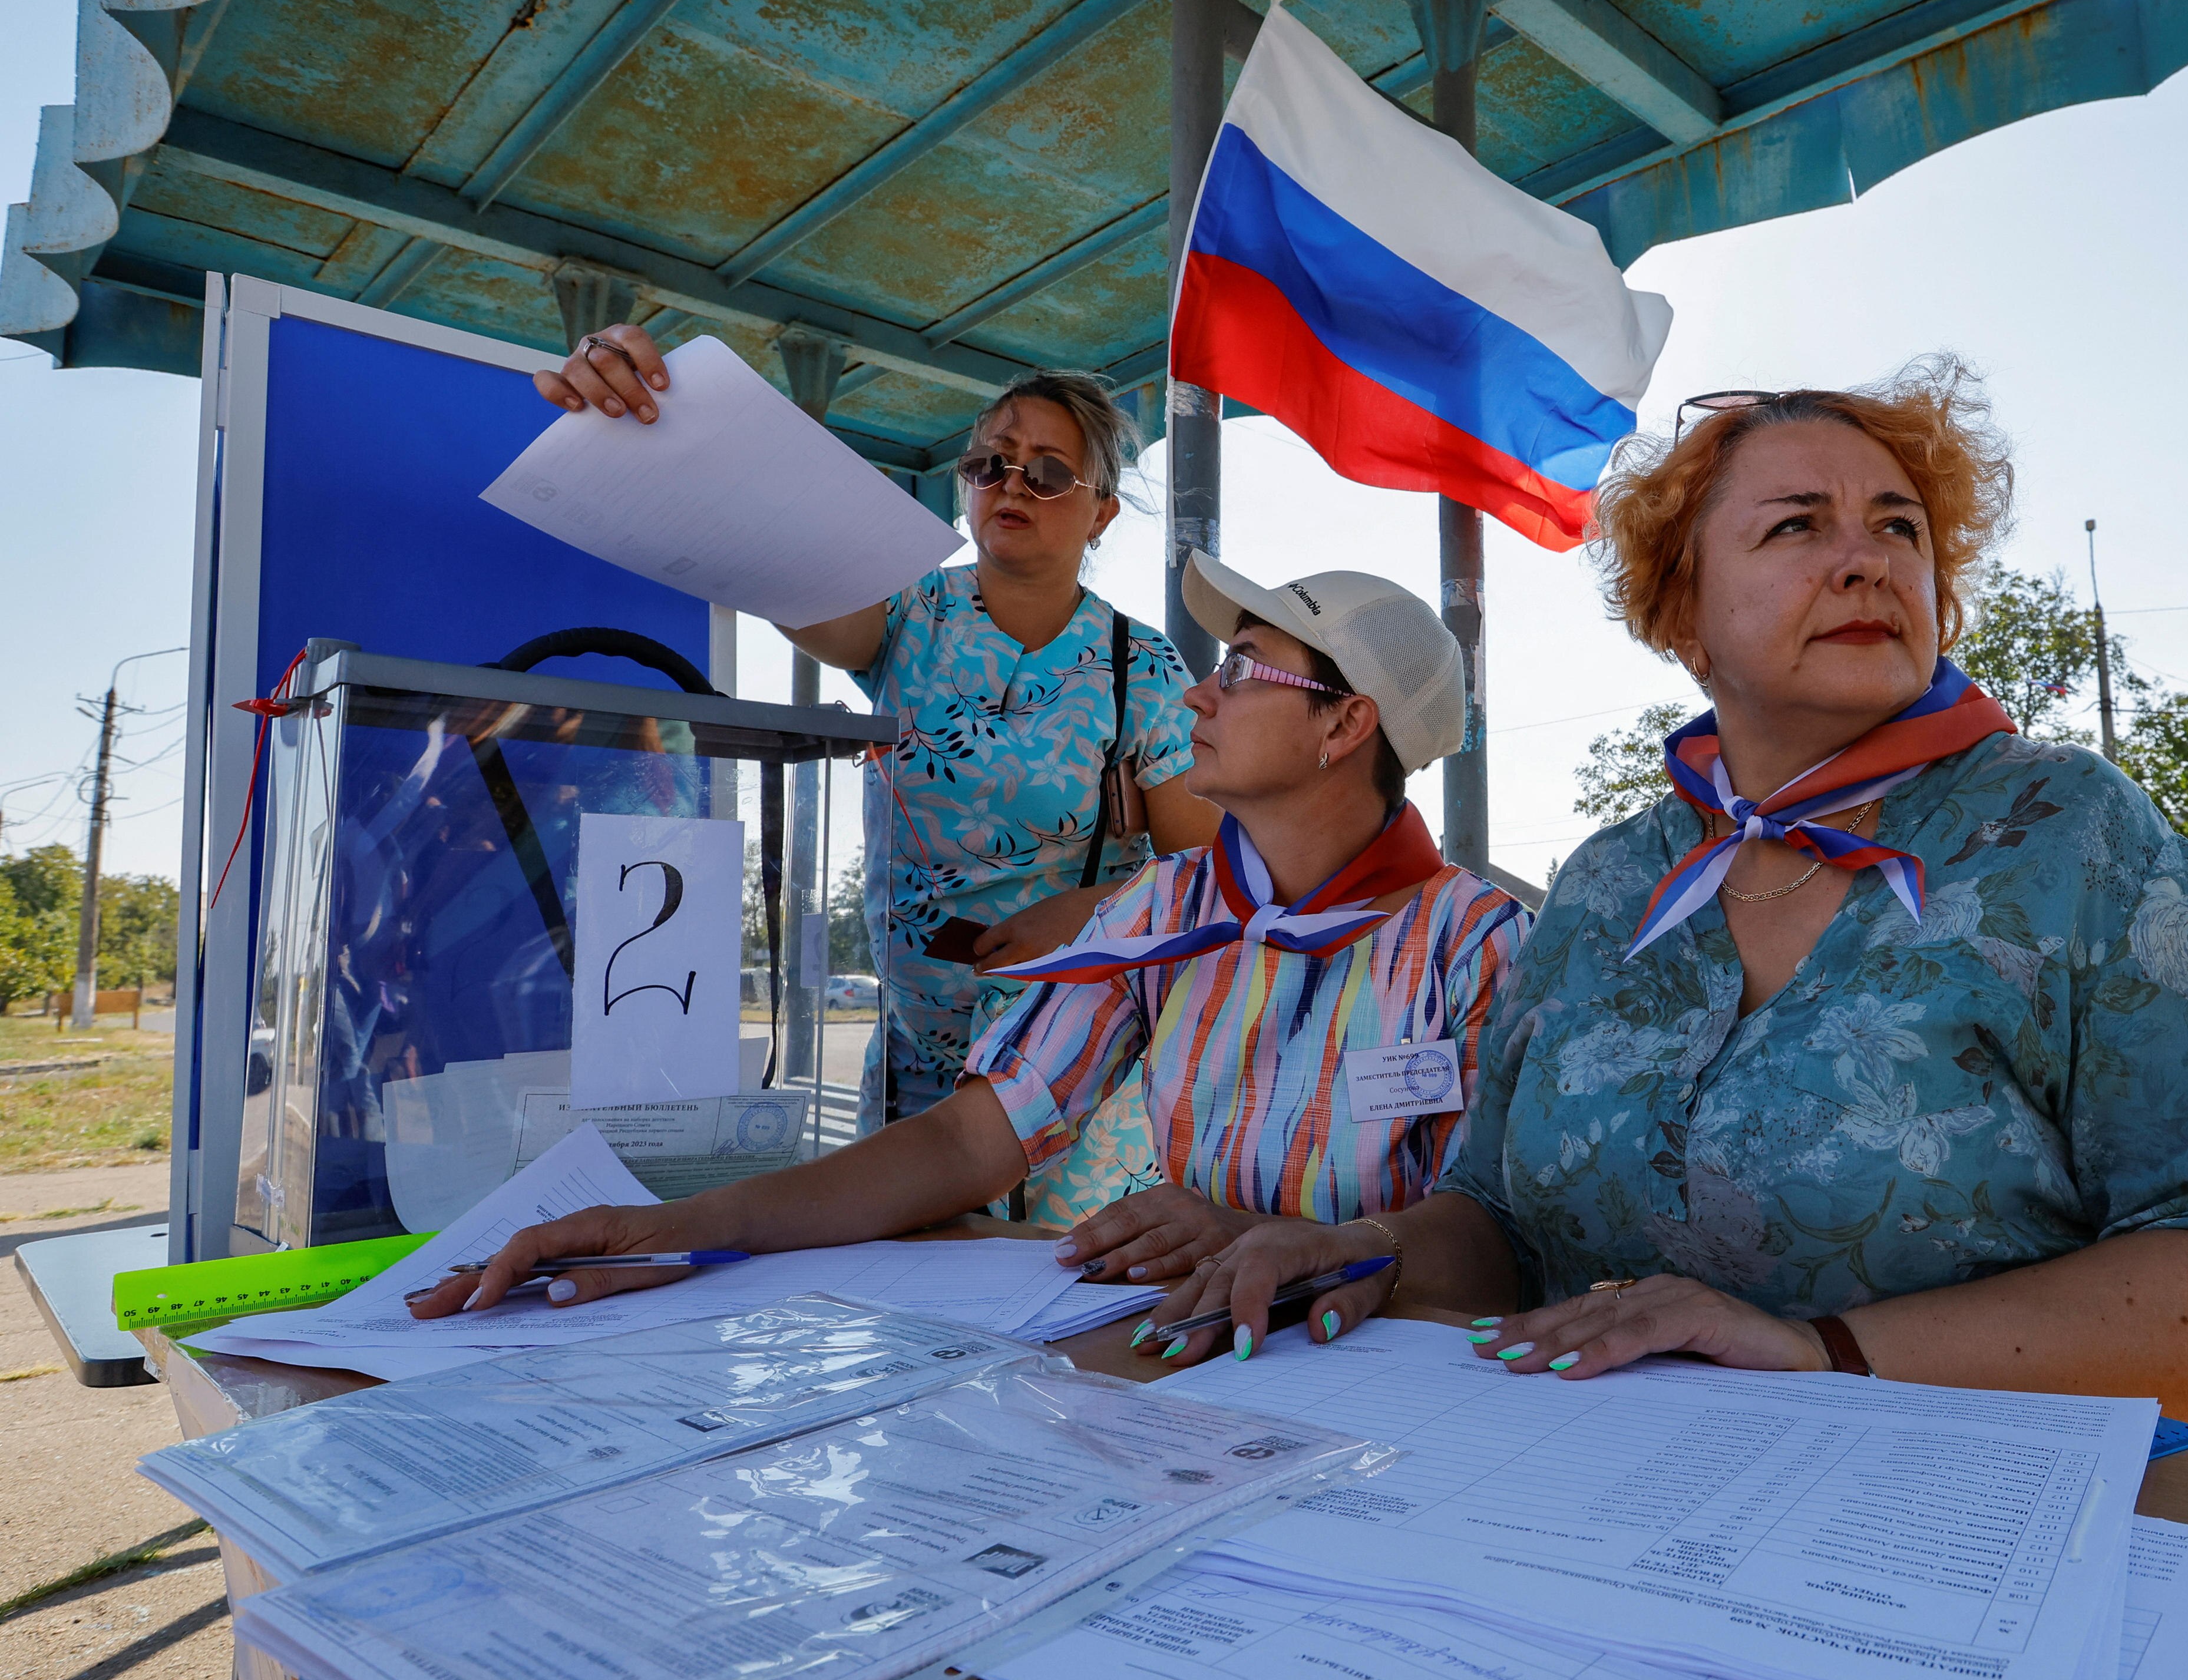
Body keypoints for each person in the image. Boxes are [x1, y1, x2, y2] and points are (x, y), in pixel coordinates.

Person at [1143, 359, 2188, 1680]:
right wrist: (1364, 1248)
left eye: (1898, 526)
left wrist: (1822, 1352)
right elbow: (1494, 1214)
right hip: (1606, 1549)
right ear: (1683, 607)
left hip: (2015, 1588)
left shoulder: (2072, 836)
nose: (1863, 553)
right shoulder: (1611, 882)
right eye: (1796, 524)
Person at [414, 556, 1533, 1322]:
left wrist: (1295, 1239)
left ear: (1347, 724)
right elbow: (967, 1144)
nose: (1198, 696)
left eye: (1243, 667)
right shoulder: (1170, 911)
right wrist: (683, 1227)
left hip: (1396, 1394)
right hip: (1206, 1366)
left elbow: (1503, 1240)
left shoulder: (1478, 945)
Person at [535, 331, 1219, 1196]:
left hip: (1071, 1079)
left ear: (1102, 511)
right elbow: (785, 572)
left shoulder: (1141, 666)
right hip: (912, 1076)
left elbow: (1209, 876)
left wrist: (1089, 909)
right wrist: (656, 415)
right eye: (992, 463)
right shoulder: (907, 611)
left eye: (1048, 471)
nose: (1013, 483)